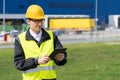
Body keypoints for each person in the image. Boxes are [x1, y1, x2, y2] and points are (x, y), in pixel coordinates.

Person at [14, 4, 67, 80]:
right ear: (28, 21)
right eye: (36, 21)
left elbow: (62, 59)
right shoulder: (20, 39)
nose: (40, 24)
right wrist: (37, 61)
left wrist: (61, 58)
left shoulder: (52, 36)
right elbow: (18, 64)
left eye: (41, 20)